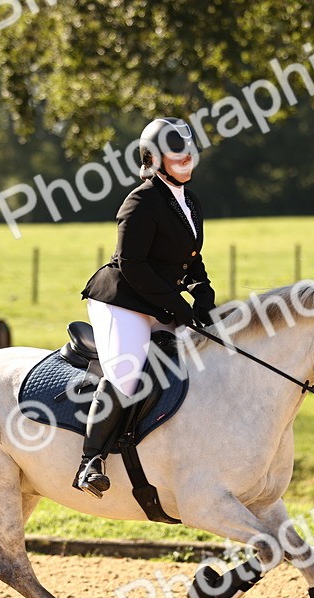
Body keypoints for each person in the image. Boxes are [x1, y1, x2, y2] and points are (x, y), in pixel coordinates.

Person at [73, 117, 216, 497]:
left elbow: (190, 257)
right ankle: (91, 461)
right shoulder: (140, 200)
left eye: (188, 153)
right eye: (176, 155)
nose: (186, 160)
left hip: (157, 300)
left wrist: (202, 292)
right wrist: (178, 308)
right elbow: (131, 264)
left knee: (198, 358)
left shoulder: (190, 200)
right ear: (153, 159)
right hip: (122, 301)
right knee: (127, 372)